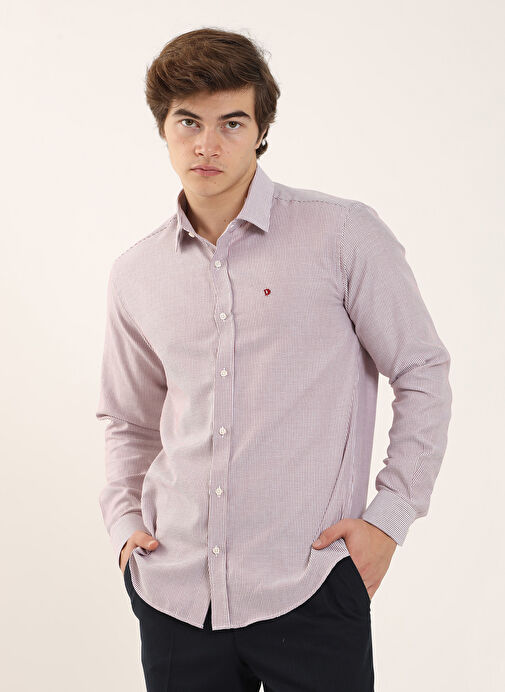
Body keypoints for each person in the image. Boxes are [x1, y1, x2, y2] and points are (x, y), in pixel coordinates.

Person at [96, 27, 452, 692]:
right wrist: (124, 526)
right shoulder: (136, 274)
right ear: (163, 128)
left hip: (310, 585)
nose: (207, 145)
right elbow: (127, 420)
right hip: (174, 595)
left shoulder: (342, 235)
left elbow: (421, 370)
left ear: (261, 130)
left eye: (231, 123)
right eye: (188, 122)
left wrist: (389, 519)